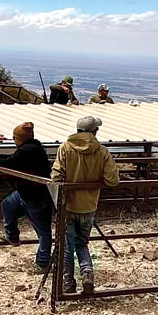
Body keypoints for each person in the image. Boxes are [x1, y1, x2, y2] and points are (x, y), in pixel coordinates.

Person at [50, 116, 119, 294]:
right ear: (95, 131)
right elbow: (112, 180)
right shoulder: (102, 151)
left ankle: (68, 283)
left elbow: (56, 177)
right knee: (82, 244)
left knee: (67, 245)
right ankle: (87, 274)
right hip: (88, 206)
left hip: (67, 206)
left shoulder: (65, 148)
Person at [0, 122, 53, 273]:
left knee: (43, 232)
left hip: (36, 197)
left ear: (20, 138)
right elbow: (12, 158)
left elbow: (10, 162)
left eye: (14, 138)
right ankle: (12, 236)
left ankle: (43, 263)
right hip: (25, 193)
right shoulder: (32, 148)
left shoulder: (28, 151)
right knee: (7, 205)